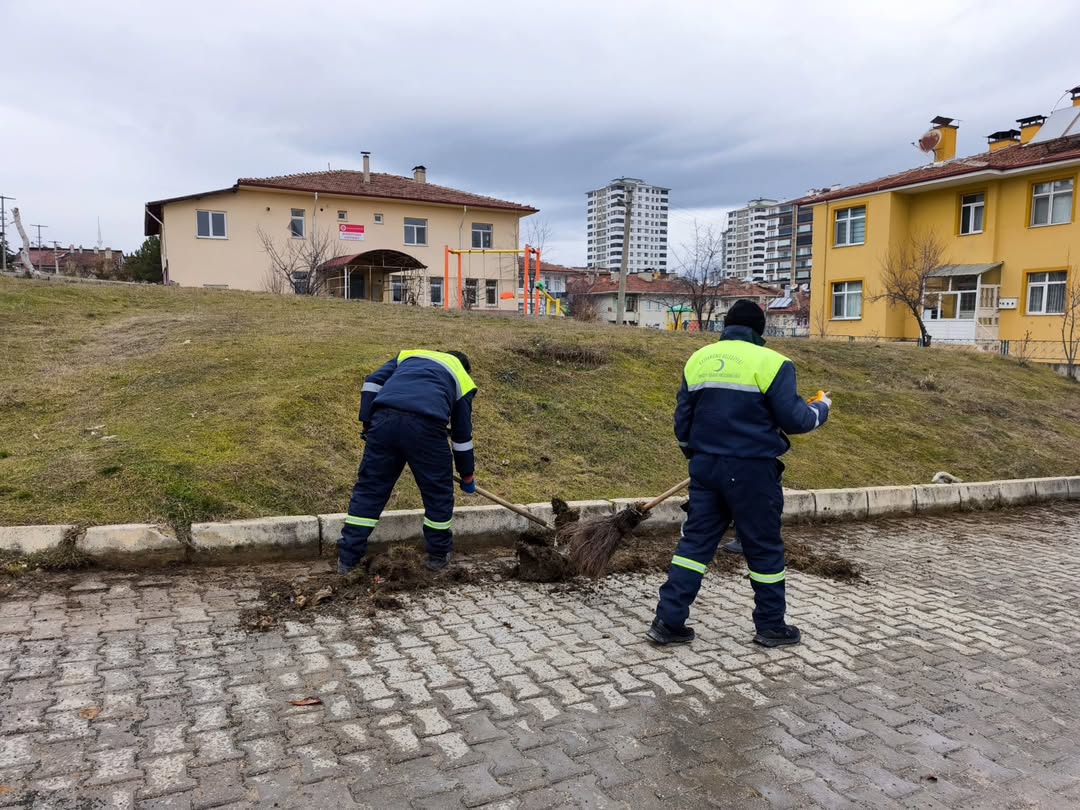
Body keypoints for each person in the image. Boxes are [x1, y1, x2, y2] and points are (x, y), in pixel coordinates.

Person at [648, 300, 831, 648]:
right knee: (763, 547)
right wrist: (822, 407)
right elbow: (796, 420)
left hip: (705, 468)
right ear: (759, 330)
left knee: (695, 544)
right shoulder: (774, 363)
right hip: (752, 472)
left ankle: (667, 622)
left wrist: (697, 456)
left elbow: (682, 421)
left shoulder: (699, 359)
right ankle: (771, 626)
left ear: (726, 326)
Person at [338, 349, 477, 574]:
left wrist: (367, 423)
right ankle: (438, 555)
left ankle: (347, 559)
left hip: (383, 420)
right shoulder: (463, 378)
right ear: (466, 369)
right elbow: (462, 437)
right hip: (427, 427)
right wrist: (467, 474)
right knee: (437, 493)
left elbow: (372, 382)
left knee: (370, 490)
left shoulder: (409, 356)